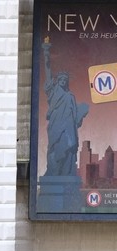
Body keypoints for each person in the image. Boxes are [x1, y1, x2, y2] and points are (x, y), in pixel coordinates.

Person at [42, 37, 88, 177]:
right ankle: (54, 172)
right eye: (60, 79)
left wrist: (83, 111)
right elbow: (48, 70)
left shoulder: (70, 96)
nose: (62, 81)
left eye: (64, 80)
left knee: (69, 149)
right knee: (55, 148)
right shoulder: (53, 91)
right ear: (57, 81)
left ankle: (67, 172)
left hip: (68, 127)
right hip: (56, 126)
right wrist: (46, 53)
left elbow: (75, 118)